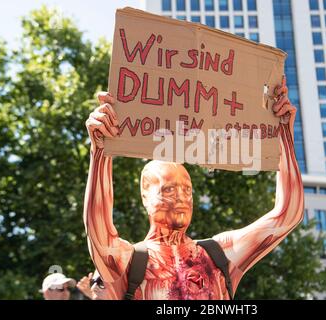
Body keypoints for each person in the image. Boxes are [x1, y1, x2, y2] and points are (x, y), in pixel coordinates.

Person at [83, 76, 304, 299]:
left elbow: (286, 216)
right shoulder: (129, 262)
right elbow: (98, 231)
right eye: (168, 190)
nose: (181, 197)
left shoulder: (219, 255)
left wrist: (283, 132)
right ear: (145, 196)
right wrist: (100, 151)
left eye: (187, 190)